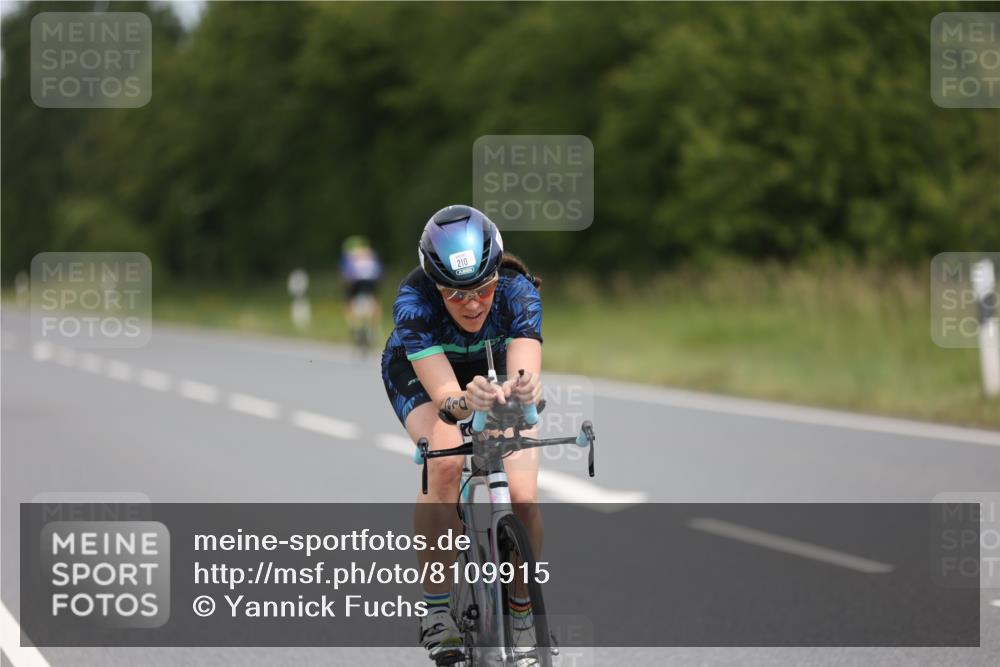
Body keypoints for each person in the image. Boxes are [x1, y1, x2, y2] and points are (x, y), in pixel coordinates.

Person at [381, 205, 544, 664]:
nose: (472, 304)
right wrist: (465, 402)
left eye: (482, 289)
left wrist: (524, 389)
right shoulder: (413, 301)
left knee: (522, 494)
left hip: (490, 370)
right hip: (425, 376)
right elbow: (447, 399)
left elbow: (523, 377)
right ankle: (436, 610)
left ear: (496, 275)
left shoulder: (518, 292)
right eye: (455, 294)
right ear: (435, 286)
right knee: (447, 461)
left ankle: (522, 610)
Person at [339, 235, 383, 351]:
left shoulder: (348, 255)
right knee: (375, 300)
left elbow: (346, 273)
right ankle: (373, 328)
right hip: (371, 280)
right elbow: (378, 271)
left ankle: (354, 326)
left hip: (355, 281)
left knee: (349, 302)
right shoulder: (371, 253)